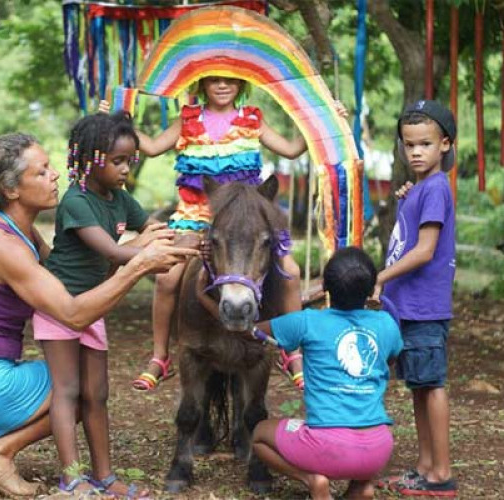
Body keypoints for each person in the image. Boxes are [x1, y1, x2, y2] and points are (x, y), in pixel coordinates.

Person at [0, 133, 195, 498]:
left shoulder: (14, 229)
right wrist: (138, 266)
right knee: (78, 386)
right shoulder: (5, 245)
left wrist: (134, 248)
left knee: (71, 378)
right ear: (12, 189)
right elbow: (73, 313)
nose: (56, 175)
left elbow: (71, 279)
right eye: (42, 172)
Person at [101, 77, 348, 391]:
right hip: (195, 218)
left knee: (291, 272)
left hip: (244, 221)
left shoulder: (253, 119)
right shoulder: (186, 120)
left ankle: (291, 351)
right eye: (214, 80)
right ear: (202, 84)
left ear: (241, 84)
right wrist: (118, 117)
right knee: (166, 278)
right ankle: (160, 356)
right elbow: (149, 147)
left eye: (229, 80)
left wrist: (324, 120)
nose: (222, 85)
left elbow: (291, 149)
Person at [33, 111, 173, 498]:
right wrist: (148, 245)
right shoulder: (75, 203)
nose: (126, 169)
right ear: (90, 158)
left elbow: (151, 232)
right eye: (117, 161)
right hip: (60, 303)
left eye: (131, 160)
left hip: (93, 306)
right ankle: (71, 477)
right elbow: (116, 251)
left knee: (98, 393)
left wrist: (193, 243)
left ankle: (106, 477)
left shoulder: (120, 199)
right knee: (67, 391)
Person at [245, 247, 403, 500]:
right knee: (360, 452)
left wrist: (204, 296)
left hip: (328, 448)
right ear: (372, 288)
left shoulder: (307, 321)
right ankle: (360, 487)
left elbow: (249, 331)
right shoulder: (386, 323)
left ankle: (313, 480)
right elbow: (391, 358)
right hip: (378, 449)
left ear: (325, 286)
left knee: (260, 434)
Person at [371, 100, 458, 497]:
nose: (416, 152)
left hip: (424, 306)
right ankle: (425, 466)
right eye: (409, 145)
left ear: (445, 144)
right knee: (420, 387)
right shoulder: (421, 189)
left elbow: (424, 250)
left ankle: (441, 474)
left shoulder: (437, 188)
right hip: (408, 306)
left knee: (432, 384)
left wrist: (379, 277)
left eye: (425, 143)